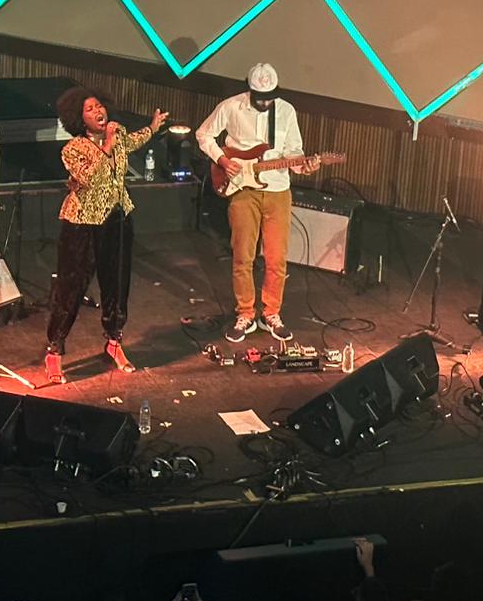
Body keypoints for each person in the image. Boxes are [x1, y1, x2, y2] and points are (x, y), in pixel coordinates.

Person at [46, 87, 167, 384]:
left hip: (116, 217)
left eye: (99, 105)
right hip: (82, 222)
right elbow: (88, 178)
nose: (99, 112)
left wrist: (151, 128)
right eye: (90, 109)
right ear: (78, 118)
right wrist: (109, 145)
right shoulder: (72, 149)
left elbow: (133, 141)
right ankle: (54, 351)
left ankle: (114, 342)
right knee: (71, 287)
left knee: (117, 284)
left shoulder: (120, 133)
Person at [195, 63, 319, 343]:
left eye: (269, 96)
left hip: (277, 190)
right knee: (243, 256)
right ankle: (246, 313)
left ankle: (271, 312)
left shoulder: (286, 111)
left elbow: (294, 152)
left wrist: (304, 166)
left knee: (276, 258)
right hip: (242, 190)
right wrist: (224, 161)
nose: (265, 102)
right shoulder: (231, 107)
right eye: (259, 96)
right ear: (249, 90)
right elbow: (203, 134)